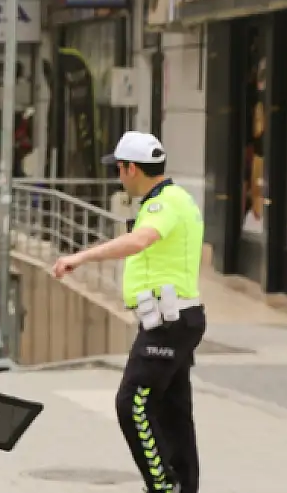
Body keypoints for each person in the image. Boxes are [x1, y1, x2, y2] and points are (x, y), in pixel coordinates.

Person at [52, 131, 206, 493]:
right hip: (174, 321)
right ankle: (183, 484)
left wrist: (81, 256)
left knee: (132, 404)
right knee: (172, 409)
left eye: (119, 169)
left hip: (168, 325)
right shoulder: (177, 198)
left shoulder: (162, 204)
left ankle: (162, 485)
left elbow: (140, 240)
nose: (119, 177)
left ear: (131, 169)